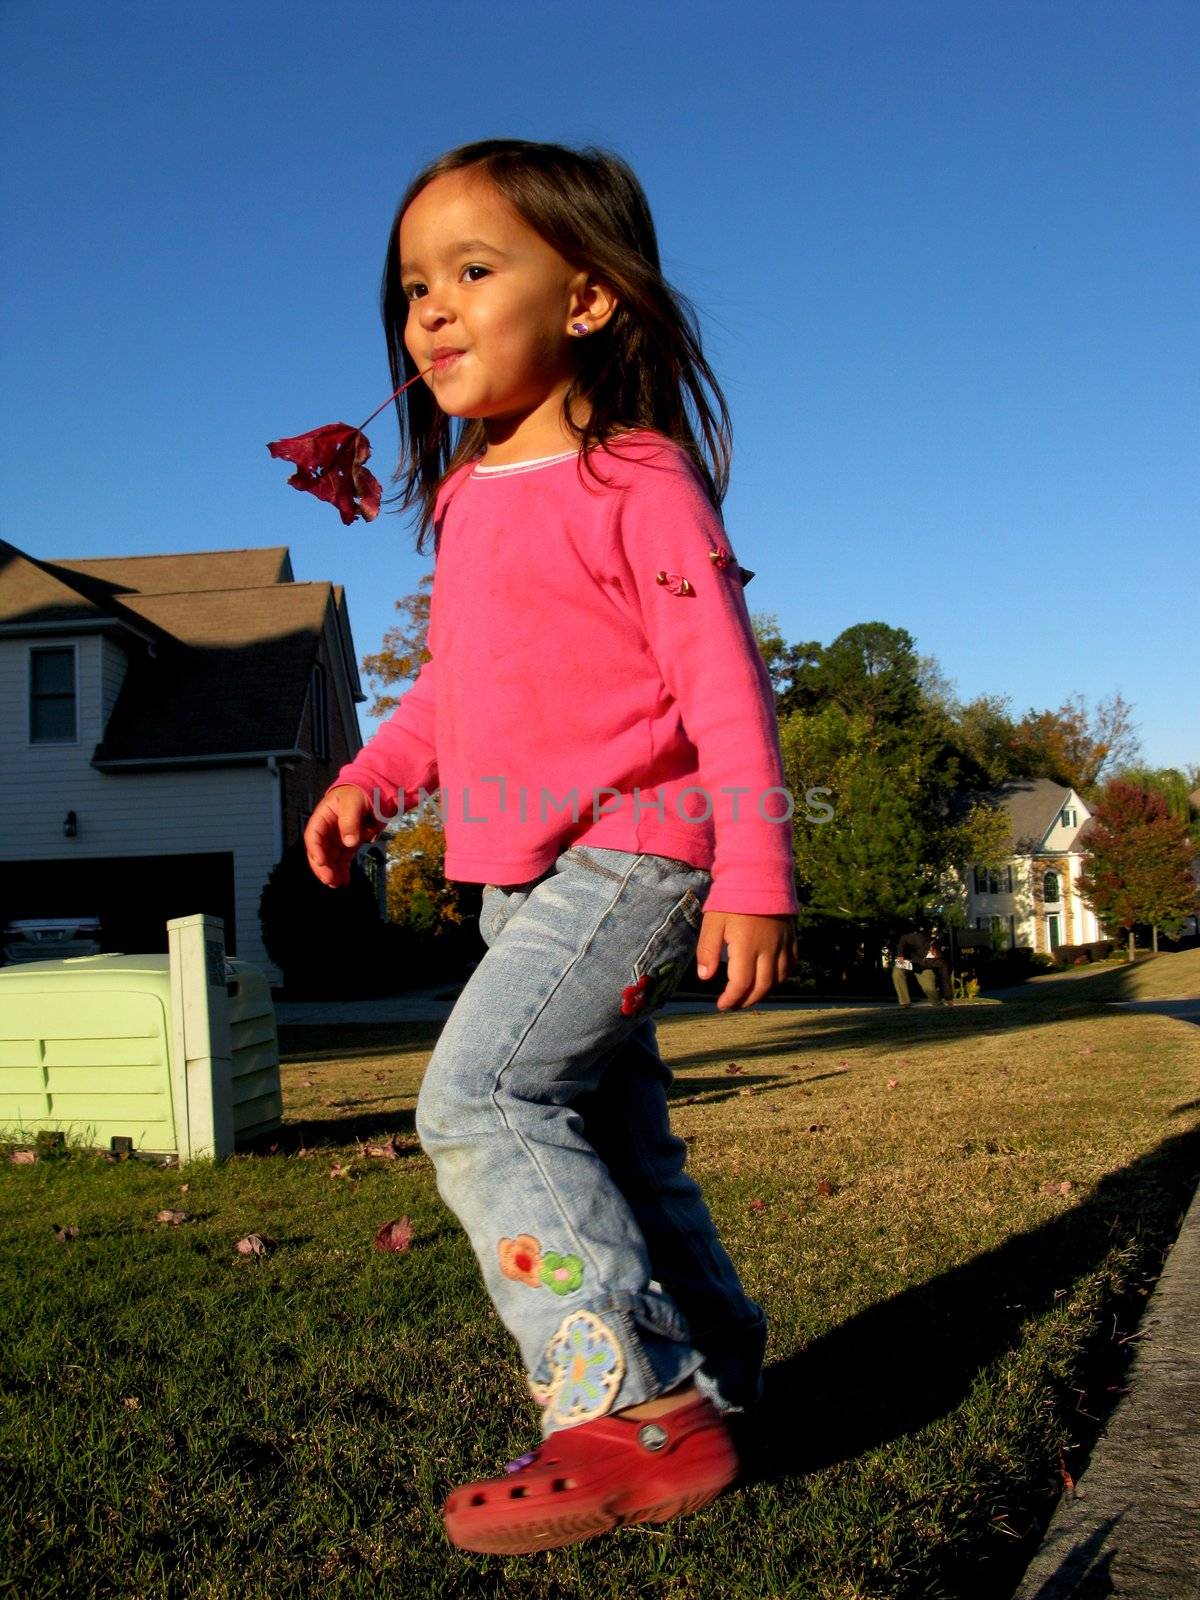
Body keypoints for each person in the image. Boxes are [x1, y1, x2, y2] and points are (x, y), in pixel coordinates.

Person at [303, 139, 799, 1556]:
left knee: (482, 1101)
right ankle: (714, 1377)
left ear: (586, 302)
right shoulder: (467, 499)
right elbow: (460, 686)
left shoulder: (637, 480)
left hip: (642, 851)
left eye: (473, 272)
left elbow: (722, 686)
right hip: (517, 885)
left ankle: (627, 1408)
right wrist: (369, 780)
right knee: (613, 1134)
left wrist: (755, 871)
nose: (433, 313)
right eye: (413, 288)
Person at [891, 926, 953, 1007]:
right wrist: (900, 955)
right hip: (910, 962)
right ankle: (905, 1002)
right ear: (932, 948)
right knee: (897, 972)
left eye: (937, 956)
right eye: (935, 953)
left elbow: (945, 979)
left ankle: (937, 1004)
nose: (935, 956)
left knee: (929, 988)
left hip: (924, 968)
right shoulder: (920, 939)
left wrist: (949, 998)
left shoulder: (941, 962)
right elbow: (904, 939)